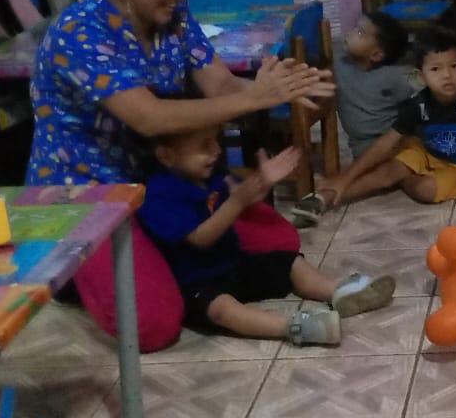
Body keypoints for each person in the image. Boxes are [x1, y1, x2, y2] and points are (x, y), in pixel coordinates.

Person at [27, 0, 333, 352]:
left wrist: (282, 90)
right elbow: (149, 118)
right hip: (90, 195)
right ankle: (83, 271)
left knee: (280, 240)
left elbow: (221, 85)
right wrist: (255, 98)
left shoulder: (173, 16)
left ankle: (165, 259)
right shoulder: (79, 32)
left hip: (162, 182)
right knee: (154, 326)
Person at [139, 133, 396, 346]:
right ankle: (295, 326)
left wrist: (261, 182)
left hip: (233, 262)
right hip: (196, 282)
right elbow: (200, 238)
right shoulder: (160, 193)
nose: (216, 150)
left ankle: (338, 291)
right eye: (204, 145)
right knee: (223, 310)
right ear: (166, 156)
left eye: (215, 140)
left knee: (290, 262)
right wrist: (236, 202)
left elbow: (243, 196)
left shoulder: (212, 173)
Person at [322, 24, 456, 214]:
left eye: (454, 66)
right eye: (435, 69)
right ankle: (325, 197)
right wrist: (345, 178)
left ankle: (402, 179)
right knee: (385, 172)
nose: (447, 75)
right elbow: (385, 142)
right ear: (421, 76)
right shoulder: (418, 104)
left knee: (425, 190)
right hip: (425, 153)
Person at [295, 12, 414, 226]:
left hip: (395, 142)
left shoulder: (391, 77)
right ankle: (327, 193)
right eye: (355, 28)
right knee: (381, 172)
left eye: (360, 32)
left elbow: (410, 108)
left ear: (376, 54)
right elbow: (310, 58)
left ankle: (324, 197)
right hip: (362, 146)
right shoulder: (339, 63)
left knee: (392, 171)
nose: (350, 34)